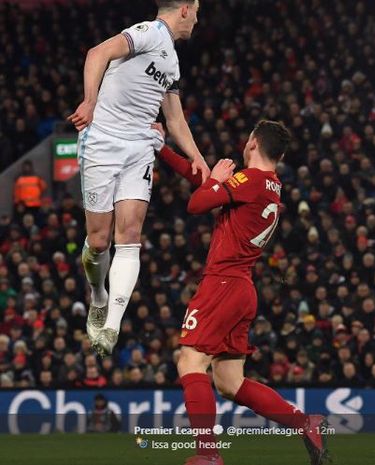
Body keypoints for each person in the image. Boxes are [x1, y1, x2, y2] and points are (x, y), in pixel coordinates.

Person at [156, 120, 329, 465]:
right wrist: (161, 150)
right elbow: (204, 184)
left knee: (190, 360)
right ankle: (304, 422)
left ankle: (207, 454)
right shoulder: (269, 185)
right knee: (229, 381)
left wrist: (218, 179)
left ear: (252, 143)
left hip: (222, 283)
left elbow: (197, 203)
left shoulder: (250, 181)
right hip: (242, 288)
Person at [68, 0, 210, 356]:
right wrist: (89, 101)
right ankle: (98, 296)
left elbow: (175, 120)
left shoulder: (173, 61)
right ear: (184, 10)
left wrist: (199, 159)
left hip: (140, 149)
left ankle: (111, 325)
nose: (197, 18)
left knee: (130, 234)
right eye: (196, 10)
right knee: (99, 241)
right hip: (103, 141)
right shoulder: (149, 33)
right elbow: (96, 53)